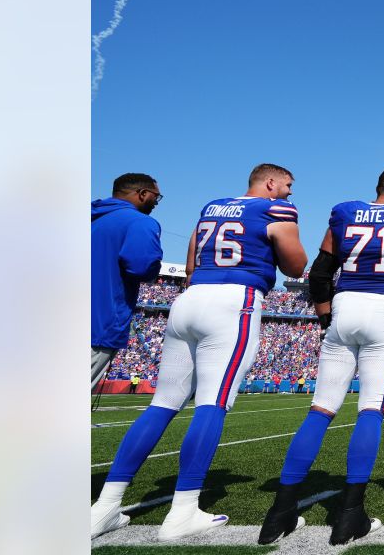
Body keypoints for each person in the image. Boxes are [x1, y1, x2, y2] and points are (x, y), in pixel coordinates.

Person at [91, 164, 308, 541]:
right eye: (287, 185)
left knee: (161, 403)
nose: (290, 192)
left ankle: (105, 506)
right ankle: (183, 511)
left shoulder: (212, 206)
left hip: (190, 299)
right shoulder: (277, 209)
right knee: (212, 403)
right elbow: (296, 265)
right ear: (270, 182)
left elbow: (191, 263)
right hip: (234, 301)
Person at [259, 168, 384, 545]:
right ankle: (349, 514)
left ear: (378, 189)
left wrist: (327, 318)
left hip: (344, 306)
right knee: (371, 409)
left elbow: (320, 273)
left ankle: (279, 512)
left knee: (321, 407)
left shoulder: (344, 212)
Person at [92, 173, 164, 390]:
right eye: (156, 197)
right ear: (142, 194)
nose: (156, 203)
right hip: (99, 322)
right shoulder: (139, 222)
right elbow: (142, 267)